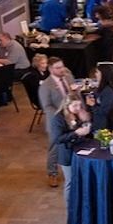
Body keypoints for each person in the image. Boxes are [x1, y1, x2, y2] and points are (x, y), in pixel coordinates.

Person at [38, 57, 75, 187]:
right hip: (56, 121)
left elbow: (74, 94)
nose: (61, 70)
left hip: (72, 117)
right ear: (50, 69)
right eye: (58, 68)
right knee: (55, 147)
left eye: (62, 66)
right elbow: (47, 107)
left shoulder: (69, 77)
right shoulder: (46, 86)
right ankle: (52, 173)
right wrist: (63, 114)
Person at [52, 95, 91, 204]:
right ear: (67, 105)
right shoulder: (58, 118)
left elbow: (85, 127)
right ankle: (70, 208)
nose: (78, 108)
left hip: (80, 151)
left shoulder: (77, 114)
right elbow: (58, 139)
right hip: (67, 155)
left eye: (79, 105)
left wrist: (86, 122)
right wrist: (75, 133)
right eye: (75, 105)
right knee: (70, 182)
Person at [86, 65, 113, 131]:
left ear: (103, 75)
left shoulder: (108, 92)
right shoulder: (101, 88)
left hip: (103, 126)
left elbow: (104, 111)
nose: (95, 74)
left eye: (97, 72)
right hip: (97, 120)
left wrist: (93, 105)